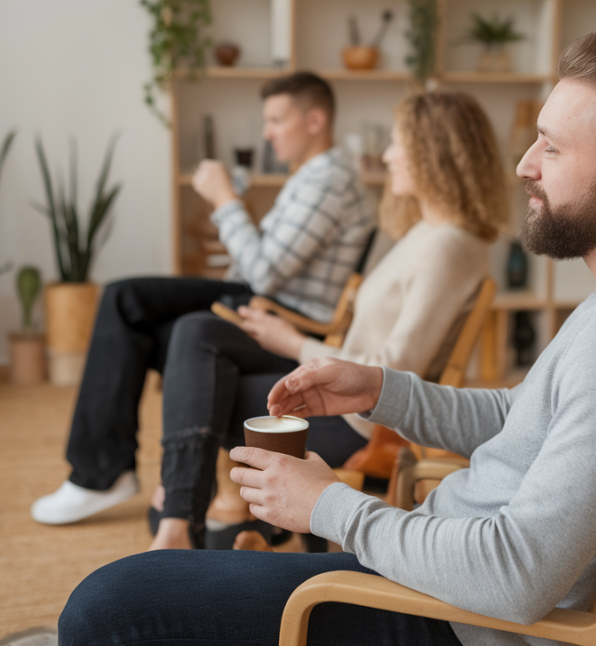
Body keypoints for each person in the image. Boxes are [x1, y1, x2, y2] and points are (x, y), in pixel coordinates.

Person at [59, 30, 596, 646]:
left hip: (453, 617)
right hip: (434, 568)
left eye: (552, 147)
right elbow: (523, 417)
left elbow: (517, 577)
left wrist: (328, 506)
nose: (524, 165)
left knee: (104, 607)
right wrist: (382, 389)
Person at [148, 90, 508, 550]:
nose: (387, 156)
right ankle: (193, 516)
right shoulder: (428, 232)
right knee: (197, 331)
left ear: (434, 153)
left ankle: (179, 519)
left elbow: (394, 371)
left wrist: (293, 343)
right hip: (342, 389)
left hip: (354, 417)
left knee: (200, 388)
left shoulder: (448, 248)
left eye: (398, 144)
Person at [31, 72, 375, 526]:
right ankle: (109, 471)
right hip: (257, 297)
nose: (267, 133)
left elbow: (265, 273)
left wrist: (224, 199)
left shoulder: (328, 179)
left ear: (315, 120)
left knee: (133, 308)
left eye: (276, 120)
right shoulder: (311, 176)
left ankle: (105, 473)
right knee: (128, 307)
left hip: (278, 314)